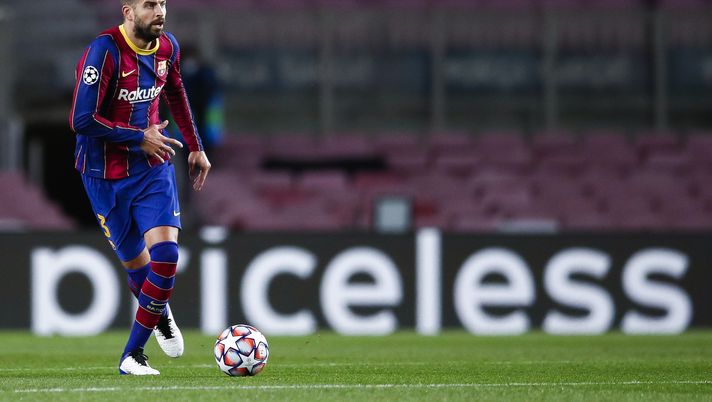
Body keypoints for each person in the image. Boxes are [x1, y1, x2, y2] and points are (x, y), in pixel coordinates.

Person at [69, 0, 211, 375]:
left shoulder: (169, 48)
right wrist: (137, 137)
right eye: (150, 5)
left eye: (163, 3)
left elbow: (176, 93)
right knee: (139, 268)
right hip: (102, 174)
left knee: (165, 256)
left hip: (152, 167)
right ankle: (160, 315)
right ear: (128, 11)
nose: (160, 11)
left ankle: (132, 355)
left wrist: (196, 146)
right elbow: (81, 119)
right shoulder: (105, 51)